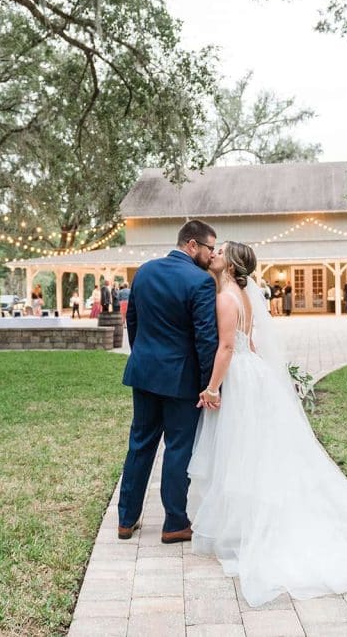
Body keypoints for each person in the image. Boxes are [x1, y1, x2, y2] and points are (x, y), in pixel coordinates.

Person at [188, 240, 347, 608]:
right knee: (253, 450)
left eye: (221, 252)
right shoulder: (244, 296)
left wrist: (213, 387)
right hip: (252, 374)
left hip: (238, 375)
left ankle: (245, 526)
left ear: (231, 265)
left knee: (239, 449)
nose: (214, 253)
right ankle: (243, 521)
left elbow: (228, 347)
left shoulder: (225, 297)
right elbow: (250, 343)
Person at [118, 220, 219, 546]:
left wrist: (144, 356)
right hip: (181, 380)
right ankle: (174, 523)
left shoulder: (144, 271)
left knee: (140, 443)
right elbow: (206, 339)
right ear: (192, 245)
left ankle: (125, 519)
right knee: (178, 448)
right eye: (210, 248)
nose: (212, 255)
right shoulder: (200, 281)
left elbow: (132, 321)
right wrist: (208, 385)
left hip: (144, 373)